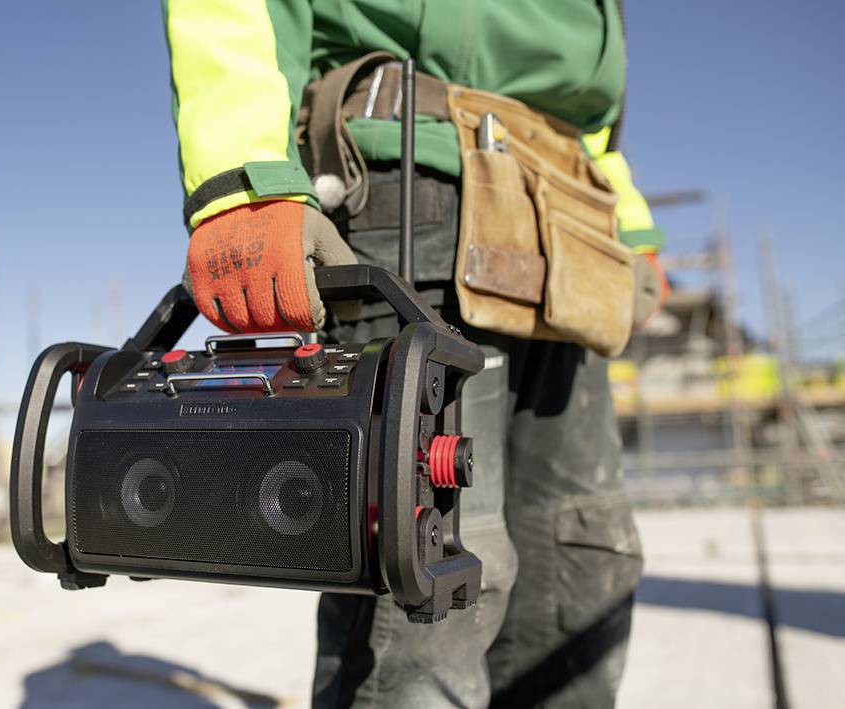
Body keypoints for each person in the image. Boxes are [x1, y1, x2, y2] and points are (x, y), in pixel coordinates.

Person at [161, 2, 666, 706]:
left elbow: (596, 110)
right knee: (434, 583)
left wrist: (630, 220)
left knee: (582, 558)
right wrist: (240, 177)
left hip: (574, 221)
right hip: (410, 179)